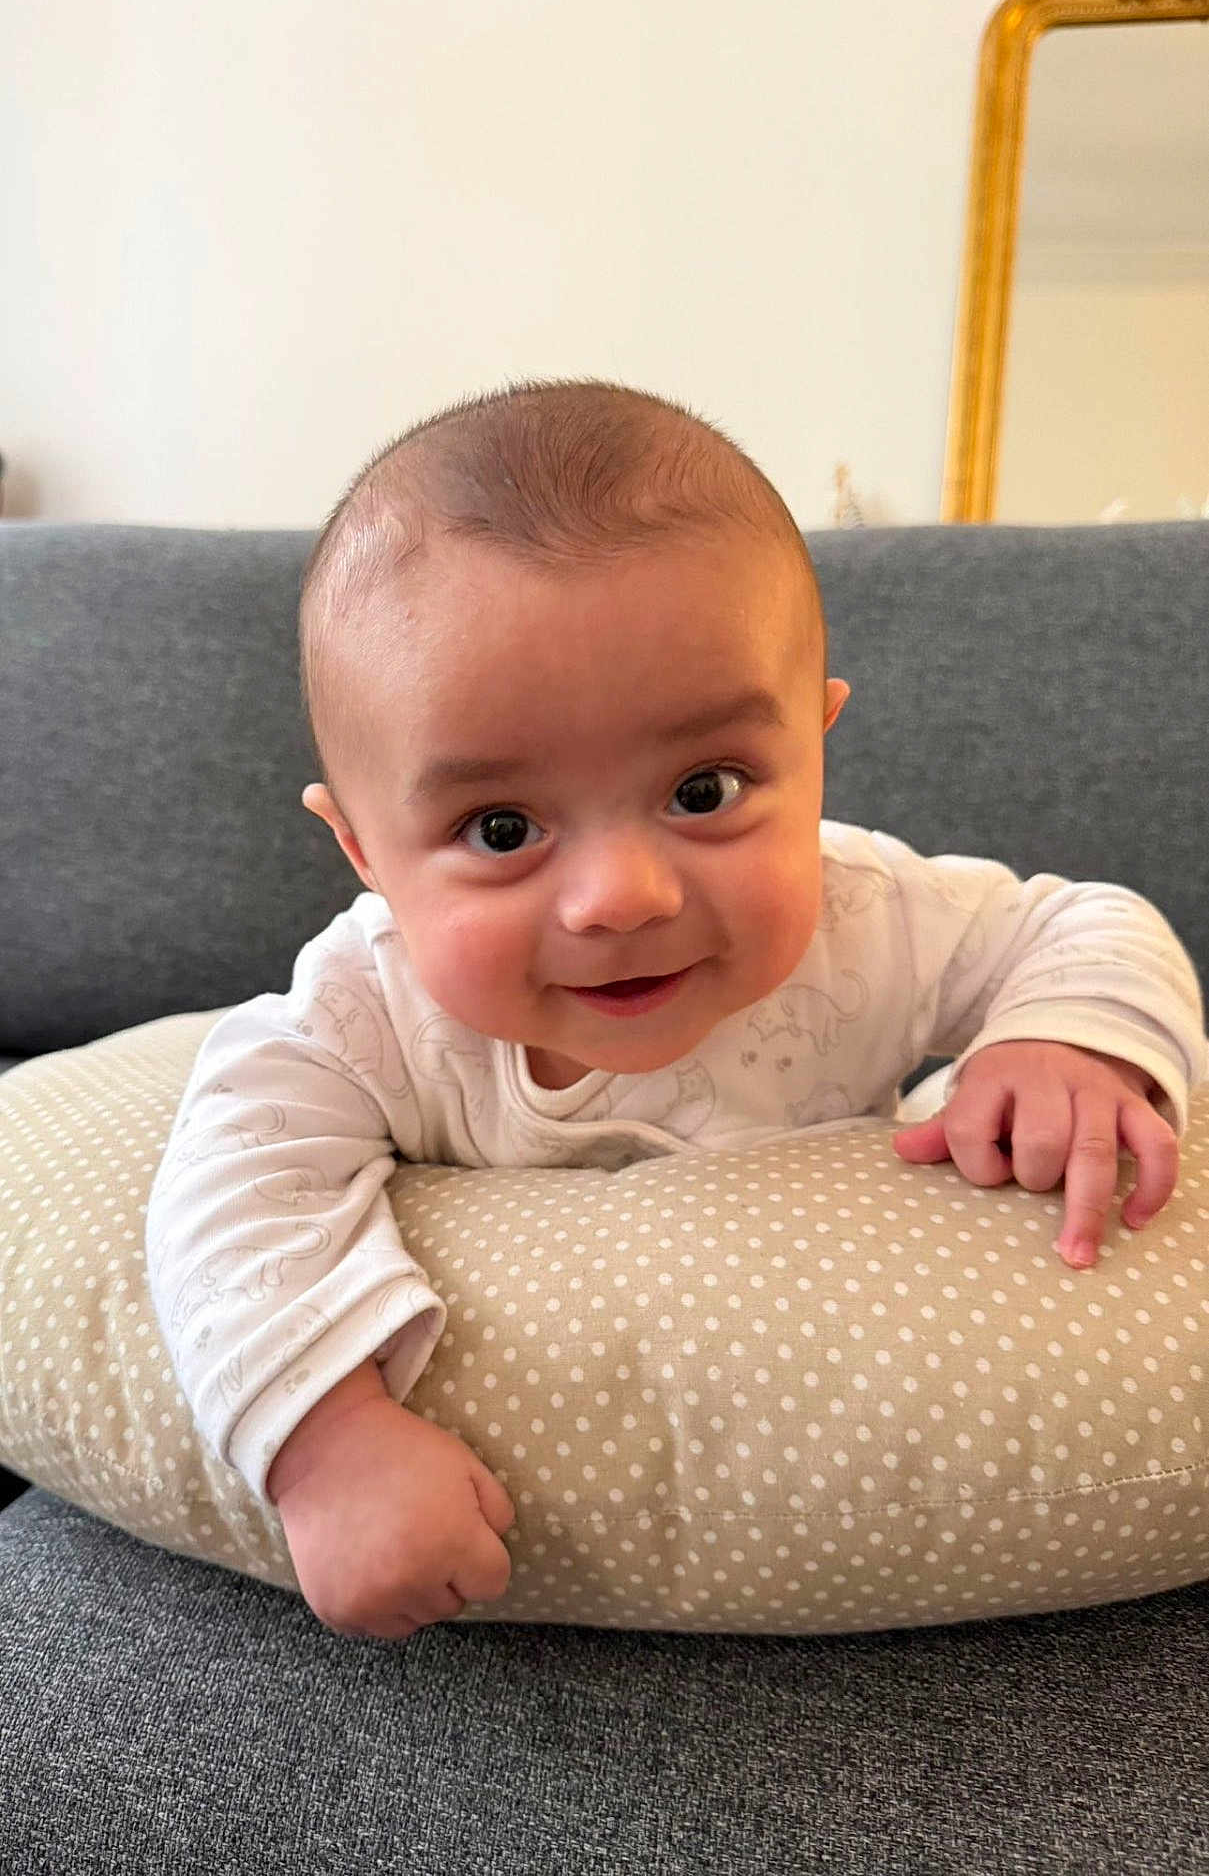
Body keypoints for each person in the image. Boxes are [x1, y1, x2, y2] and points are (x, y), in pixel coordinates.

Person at [145, 378, 1206, 1641]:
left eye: (705, 788)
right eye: (501, 829)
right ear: (365, 850)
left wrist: (1061, 1037)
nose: (622, 895)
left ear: (817, 748)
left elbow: (1083, 917)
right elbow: (233, 1191)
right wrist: (324, 1444)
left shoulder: (867, 909)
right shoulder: (362, 1010)